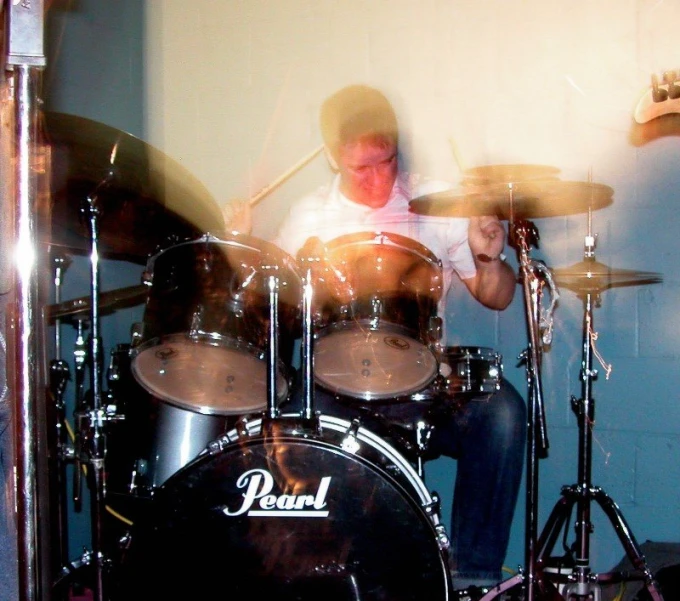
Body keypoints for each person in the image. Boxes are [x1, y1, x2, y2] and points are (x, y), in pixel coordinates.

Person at [224, 84, 526, 600]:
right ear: (330, 158)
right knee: (283, 417)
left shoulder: (438, 201)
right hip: (336, 387)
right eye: (357, 168)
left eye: (383, 161)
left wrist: (489, 258)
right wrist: (241, 246)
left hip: (426, 387)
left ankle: (474, 577)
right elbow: (265, 303)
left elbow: (496, 297)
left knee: (501, 413)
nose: (373, 178)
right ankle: (320, 575)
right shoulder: (308, 215)